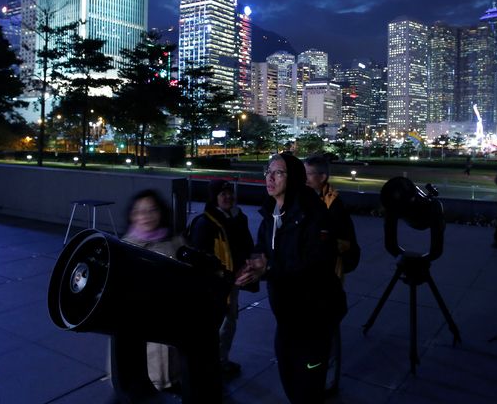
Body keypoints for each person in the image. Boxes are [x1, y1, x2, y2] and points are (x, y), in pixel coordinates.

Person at [235, 152, 344, 404]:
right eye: (268, 172)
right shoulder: (271, 211)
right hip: (286, 314)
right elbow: (262, 247)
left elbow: (315, 263)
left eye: (278, 173)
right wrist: (252, 267)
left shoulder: (314, 213)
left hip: (313, 315)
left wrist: (269, 269)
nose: (270, 178)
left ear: (293, 177)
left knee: (308, 384)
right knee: (287, 371)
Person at [116, 189, 185, 392]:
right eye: (139, 211)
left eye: (152, 210)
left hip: (170, 326)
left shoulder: (175, 243)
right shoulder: (123, 248)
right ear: (132, 215)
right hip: (137, 329)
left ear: (161, 212)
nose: (146, 216)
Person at [304, 154, 361, 395]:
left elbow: (346, 243)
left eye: (308, 175)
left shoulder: (334, 205)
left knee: (328, 328)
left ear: (322, 177)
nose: (304, 179)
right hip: (306, 275)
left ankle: (328, 379)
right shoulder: (305, 199)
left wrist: (321, 243)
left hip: (327, 276)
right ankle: (312, 372)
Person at [187, 180, 255, 379]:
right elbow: (198, 258)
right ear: (214, 197)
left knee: (229, 322)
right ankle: (212, 365)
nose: (228, 197)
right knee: (217, 325)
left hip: (233, 281)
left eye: (230, 192)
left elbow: (246, 246)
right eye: (222, 194)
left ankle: (221, 360)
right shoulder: (204, 223)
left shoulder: (238, 218)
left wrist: (247, 266)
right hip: (214, 286)